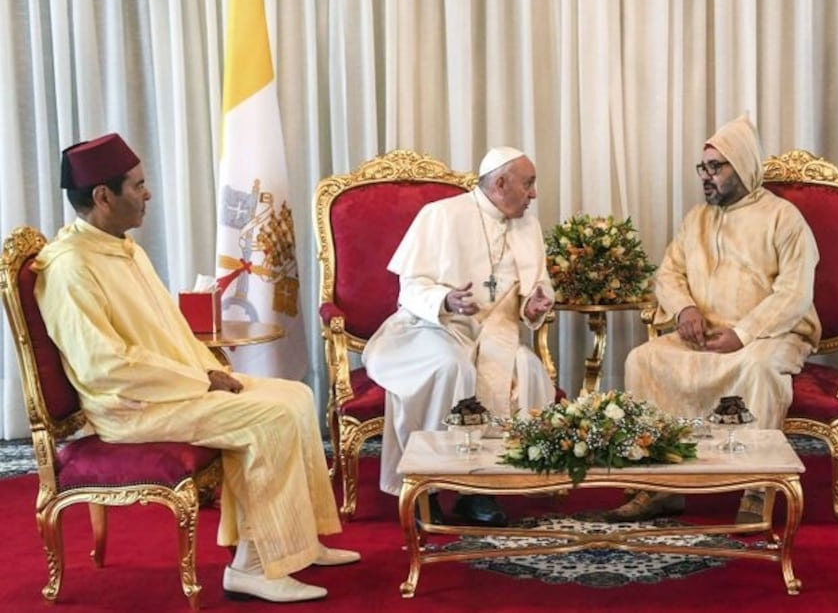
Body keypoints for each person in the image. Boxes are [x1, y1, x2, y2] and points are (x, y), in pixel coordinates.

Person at [34, 133, 358, 604]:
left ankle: (297, 542)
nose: (147, 194)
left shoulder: (122, 247)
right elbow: (105, 366)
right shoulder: (70, 268)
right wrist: (201, 380)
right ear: (103, 196)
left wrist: (208, 370)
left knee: (295, 395)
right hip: (131, 407)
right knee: (268, 419)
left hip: (172, 388)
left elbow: (171, 330)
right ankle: (254, 567)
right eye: (138, 185)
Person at [603, 113, 821, 525]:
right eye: (702, 167)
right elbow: (668, 272)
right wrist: (684, 309)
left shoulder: (784, 218)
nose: (706, 176)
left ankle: (757, 486)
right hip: (703, 334)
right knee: (642, 360)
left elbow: (794, 293)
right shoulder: (696, 219)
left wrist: (742, 335)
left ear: (742, 166)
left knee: (759, 370)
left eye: (715, 167)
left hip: (768, 335)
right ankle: (656, 487)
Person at [364, 146, 556, 527]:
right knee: (452, 368)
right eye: (528, 184)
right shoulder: (440, 215)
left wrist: (533, 308)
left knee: (527, 368)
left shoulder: (528, 225)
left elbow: (536, 288)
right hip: (433, 328)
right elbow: (410, 287)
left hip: (497, 333)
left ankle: (480, 490)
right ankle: (428, 485)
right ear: (500, 183)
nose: (534, 194)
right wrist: (446, 299)